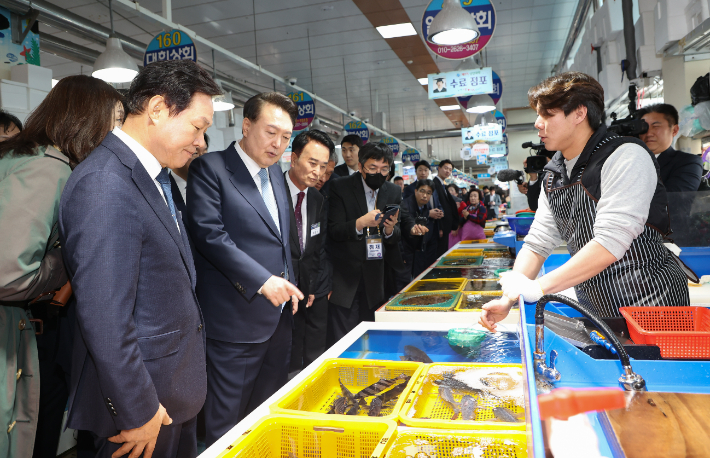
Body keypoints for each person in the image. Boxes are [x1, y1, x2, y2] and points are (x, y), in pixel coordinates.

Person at [60, 61, 221, 458]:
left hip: (169, 392)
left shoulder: (153, 177)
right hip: (142, 411)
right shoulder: (105, 184)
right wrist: (138, 409)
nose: (202, 142)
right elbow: (105, 316)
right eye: (197, 127)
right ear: (158, 109)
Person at [480, 72, 690, 332]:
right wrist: (508, 298)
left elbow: (610, 243)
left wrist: (539, 287)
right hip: (597, 305)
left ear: (579, 114)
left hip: (650, 305)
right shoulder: (554, 173)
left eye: (547, 114)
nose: (537, 123)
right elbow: (538, 242)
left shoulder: (625, 156)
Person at [0, 77, 121, 458]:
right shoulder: (47, 170)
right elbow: (9, 275)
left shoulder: (21, 157)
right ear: (86, 119)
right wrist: (68, 259)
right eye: (115, 120)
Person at [187, 92, 303, 446]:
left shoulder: (277, 176)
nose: (278, 144)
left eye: (286, 137)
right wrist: (262, 280)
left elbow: (283, 241)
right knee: (226, 423)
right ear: (247, 124)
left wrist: (291, 283)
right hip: (236, 321)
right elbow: (210, 235)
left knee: (266, 413)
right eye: (271, 132)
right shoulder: (211, 169)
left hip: (279, 318)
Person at [327, 142, 425, 343]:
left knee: (372, 335)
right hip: (346, 276)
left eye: (384, 170)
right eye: (372, 168)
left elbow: (395, 234)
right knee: (345, 338)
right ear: (361, 166)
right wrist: (360, 223)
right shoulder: (340, 186)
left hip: (376, 276)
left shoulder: (392, 191)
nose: (378, 174)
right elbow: (333, 230)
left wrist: (390, 230)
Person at [286, 130, 332, 373]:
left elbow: (315, 247)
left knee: (307, 349)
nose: (318, 172)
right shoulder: (273, 191)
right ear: (293, 159)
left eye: (323, 166)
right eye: (312, 163)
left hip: (306, 288)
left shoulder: (316, 198)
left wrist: (312, 285)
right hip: (279, 288)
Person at [638, 104, 703, 192]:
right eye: (644, 128)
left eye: (656, 126)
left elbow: (674, 201)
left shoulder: (688, 162)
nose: (649, 133)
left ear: (674, 130)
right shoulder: (631, 161)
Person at [401, 179, 438, 278]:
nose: (425, 195)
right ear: (415, 191)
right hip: (404, 253)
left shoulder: (425, 208)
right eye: (422, 191)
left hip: (417, 253)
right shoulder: (405, 205)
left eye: (428, 193)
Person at [171, 132, 209, 205]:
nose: (202, 159)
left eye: (204, 153)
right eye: (195, 153)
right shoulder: (163, 189)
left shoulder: (211, 186)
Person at [432, 159, 459, 256]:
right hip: (440, 228)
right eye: (445, 168)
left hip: (445, 227)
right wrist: (440, 228)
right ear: (439, 168)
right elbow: (436, 205)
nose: (448, 171)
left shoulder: (443, 185)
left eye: (450, 170)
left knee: (443, 252)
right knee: (439, 253)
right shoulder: (434, 184)